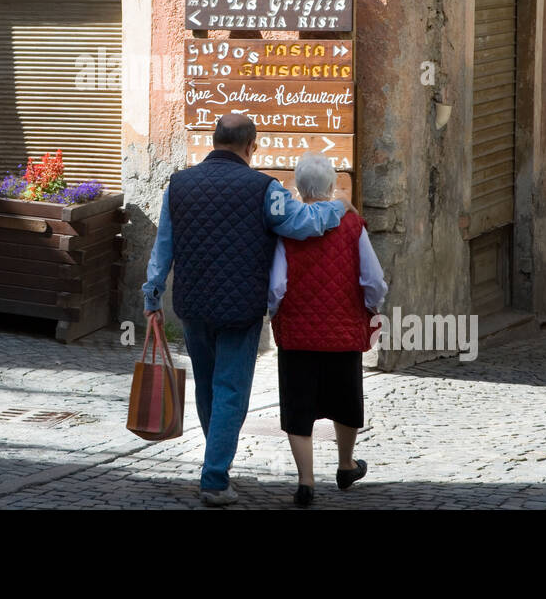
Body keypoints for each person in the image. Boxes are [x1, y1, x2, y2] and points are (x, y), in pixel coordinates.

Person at [142, 113, 352, 507]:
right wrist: (339, 207)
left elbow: (163, 246)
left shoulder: (178, 184)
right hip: (240, 307)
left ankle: (214, 462)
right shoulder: (264, 189)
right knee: (231, 390)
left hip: (192, 304)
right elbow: (302, 224)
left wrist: (151, 297)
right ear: (250, 147)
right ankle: (216, 478)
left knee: (207, 386)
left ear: (214, 140)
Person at [268, 151, 387, 507]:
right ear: (332, 186)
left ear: (299, 188)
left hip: (297, 331)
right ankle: (346, 464)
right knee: (345, 398)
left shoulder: (287, 229)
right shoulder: (352, 226)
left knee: (297, 404)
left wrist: (277, 314)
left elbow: (276, 285)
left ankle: (306, 482)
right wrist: (371, 307)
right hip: (343, 329)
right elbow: (373, 278)